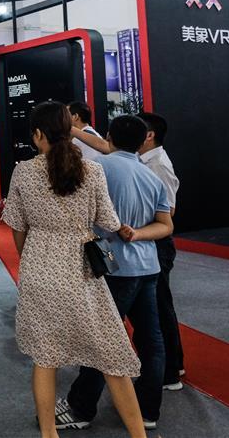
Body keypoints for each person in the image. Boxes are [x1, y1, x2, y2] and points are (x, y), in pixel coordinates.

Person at [1, 102, 147, 438]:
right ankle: (139, 435)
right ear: (70, 131)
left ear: (38, 134)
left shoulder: (23, 172)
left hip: (38, 269)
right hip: (80, 272)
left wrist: (29, 259)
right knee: (112, 355)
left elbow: (17, 227)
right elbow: (108, 221)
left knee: (45, 357)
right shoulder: (91, 171)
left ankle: (48, 434)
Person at [59, 115, 173, 432]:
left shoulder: (97, 168)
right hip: (148, 267)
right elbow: (166, 225)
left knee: (101, 339)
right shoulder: (150, 176)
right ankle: (148, 410)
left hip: (112, 267)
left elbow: (78, 214)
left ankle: (80, 408)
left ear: (109, 137)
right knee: (151, 340)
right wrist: (137, 234)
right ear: (142, 141)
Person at [138, 111, 185, 391]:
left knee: (159, 306)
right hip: (150, 242)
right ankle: (172, 364)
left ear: (149, 135)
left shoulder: (158, 164)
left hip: (158, 243)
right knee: (157, 305)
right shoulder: (144, 160)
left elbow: (169, 211)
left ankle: (170, 371)